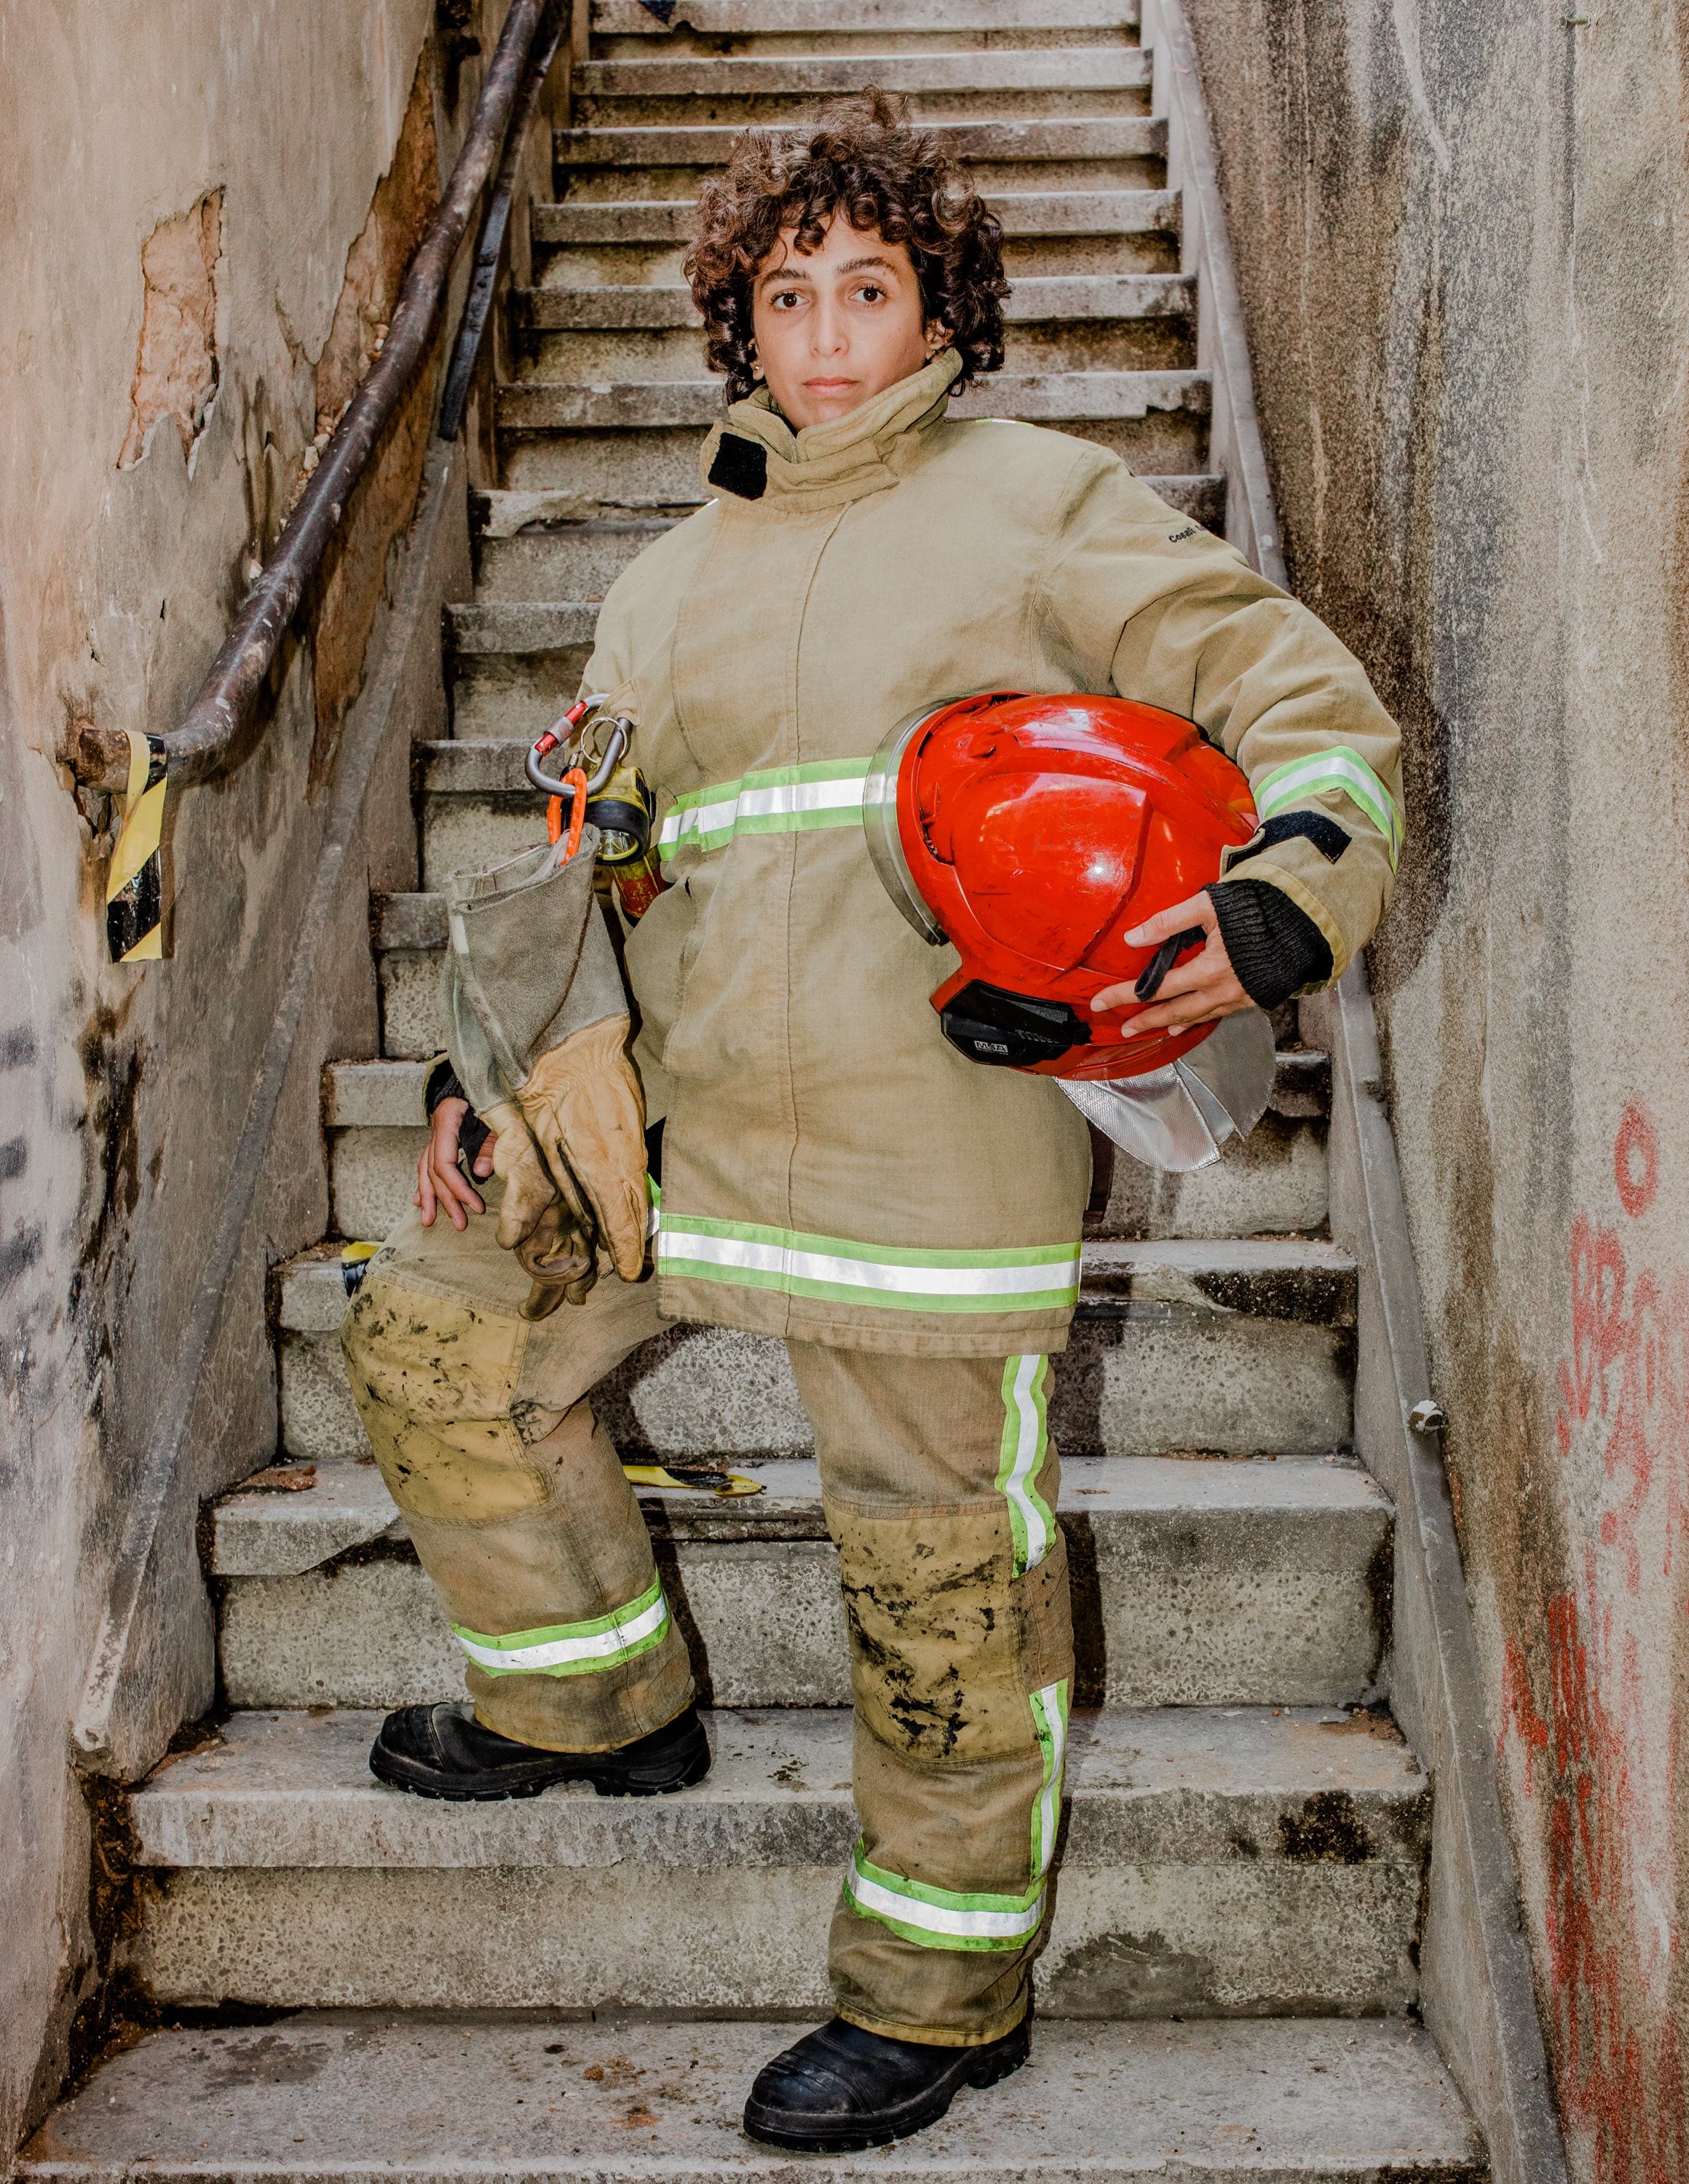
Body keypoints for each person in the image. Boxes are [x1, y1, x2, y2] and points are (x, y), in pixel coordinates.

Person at [339, 91, 1403, 2156]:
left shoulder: (1036, 507)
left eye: (870, 290)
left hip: (928, 1148)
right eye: (787, 293)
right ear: (740, 321)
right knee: (435, 1337)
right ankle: (594, 1704)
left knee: (935, 1585)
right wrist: (492, 1074)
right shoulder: (660, 581)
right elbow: (589, 857)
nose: (825, 334)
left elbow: (1294, 688)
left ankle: (940, 1990)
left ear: (940, 314)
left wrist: (1285, 886)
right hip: (661, 1118)